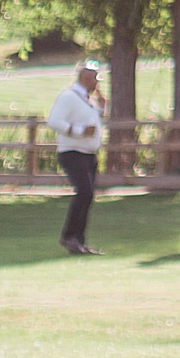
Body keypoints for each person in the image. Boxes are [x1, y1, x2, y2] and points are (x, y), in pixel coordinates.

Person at [48, 60, 108, 256]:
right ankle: (69, 236)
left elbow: (92, 122)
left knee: (88, 195)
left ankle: (79, 240)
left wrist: (101, 109)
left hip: (88, 154)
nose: (98, 82)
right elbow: (54, 121)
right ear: (85, 78)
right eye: (95, 77)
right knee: (84, 192)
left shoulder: (87, 99)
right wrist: (80, 131)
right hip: (73, 152)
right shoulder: (69, 97)